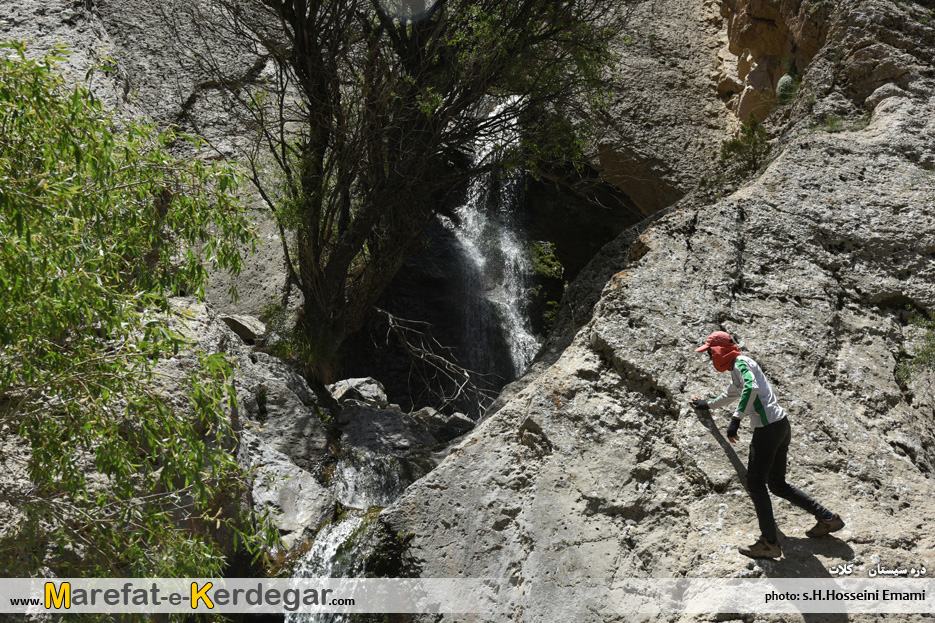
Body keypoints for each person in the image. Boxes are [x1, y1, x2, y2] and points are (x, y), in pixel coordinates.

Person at [689, 331, 844, 559]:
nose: (710, 357)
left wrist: (736, 419)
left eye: (711, 352)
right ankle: (828, 518)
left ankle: (770, 543)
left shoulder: (741, 363)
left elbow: (750, 389)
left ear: (720, 350)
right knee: (778, 485)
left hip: (768, 430)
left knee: (756, 484)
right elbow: (734, 392)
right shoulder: (740, 366)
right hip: (781, 425)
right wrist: (709, 405)